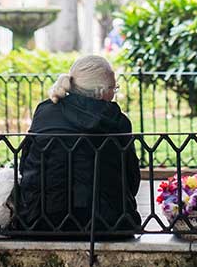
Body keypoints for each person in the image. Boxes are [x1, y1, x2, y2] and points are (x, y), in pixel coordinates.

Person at [12, 55, 141, 237]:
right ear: (100, 91)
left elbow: (26, 165)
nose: (114, 93)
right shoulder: (117, 121)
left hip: (41, 221)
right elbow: (132, 178)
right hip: (108, 223)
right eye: (114, 88)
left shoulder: (44, 111)